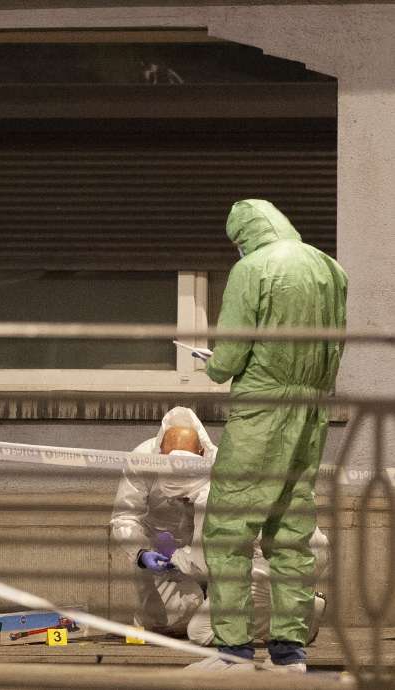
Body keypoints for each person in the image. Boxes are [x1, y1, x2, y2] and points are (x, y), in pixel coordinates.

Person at [189, 199, 347, 672]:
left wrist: (214, 366)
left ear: (245, 236)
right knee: (292, 531)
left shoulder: (252, 269)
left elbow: (231, 355)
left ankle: (233, 651)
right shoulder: (329, 268)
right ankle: (290, 652)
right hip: (311, 410)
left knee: (228, 528)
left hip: (262, 408)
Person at [111, 406, 328, 647]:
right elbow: (124, 517)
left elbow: (203, 562)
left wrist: (177, 557)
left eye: (182, 497)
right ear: (160, 452)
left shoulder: (212, 490)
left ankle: (292, 614)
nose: (181, 503)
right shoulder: (144, 461)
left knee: (201, 631)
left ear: (201, 453)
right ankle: (291, 612)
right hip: (286, 552)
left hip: (256, 560)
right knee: (167, 621)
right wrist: (142, 553)